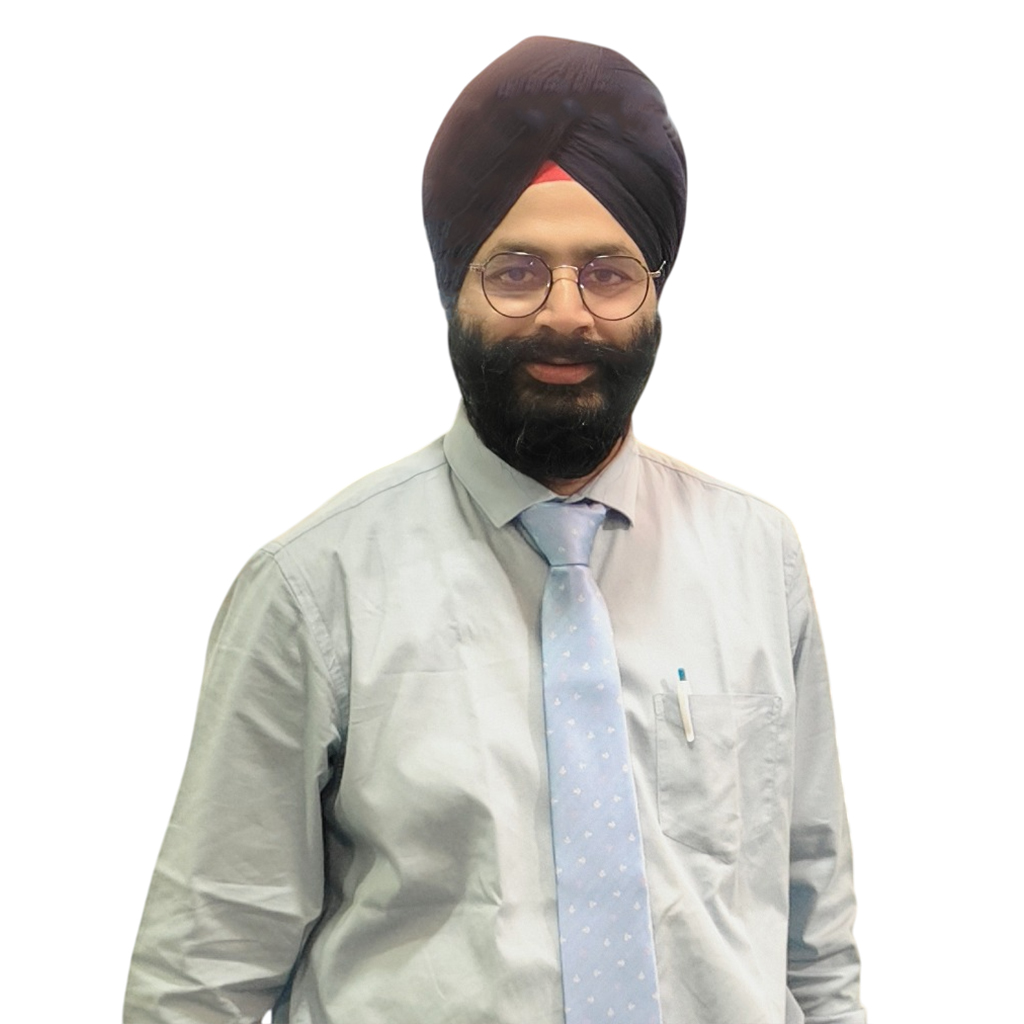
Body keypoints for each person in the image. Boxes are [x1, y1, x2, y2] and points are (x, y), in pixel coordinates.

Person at [125, 36, 866, 1024]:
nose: (566, 315)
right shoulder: (314, 589)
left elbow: (815, 945)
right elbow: (199, 975)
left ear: (655, 291)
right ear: (453, 289)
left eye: (608, 273)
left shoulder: (757, 559)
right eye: (516, 271)